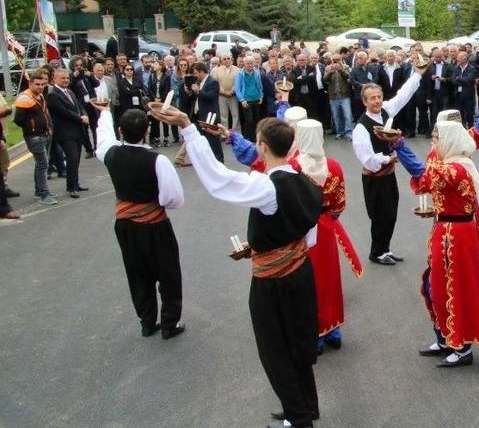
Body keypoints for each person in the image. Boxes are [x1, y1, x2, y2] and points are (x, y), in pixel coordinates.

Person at [152, 108, 322, 428]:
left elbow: (219, 180)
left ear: (262, 146)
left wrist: (189, 129)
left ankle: (299, 418)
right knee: (298, 343)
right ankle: (303, 407)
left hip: (274, 281)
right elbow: (307, 235)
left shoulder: (269, 186)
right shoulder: (306, 181)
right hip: (300, 272)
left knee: (276, 350)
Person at [393, 120, 479, 366]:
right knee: (435, 286)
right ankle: (447, 337)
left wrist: (400, 147)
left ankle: (462, 347)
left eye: (436, 139)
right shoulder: (450, 164)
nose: (432, 144)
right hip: (447, 230)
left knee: (454, 287)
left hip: (456, 235)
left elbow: (421, 172)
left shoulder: (457, 167)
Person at [92, 103, 185, 339]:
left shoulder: (110, 153)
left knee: (137, 273)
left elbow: (103, 138)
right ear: (146, 131)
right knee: (168, 273)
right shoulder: (157, 161)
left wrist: (104, 113)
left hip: (126, 226)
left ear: (121, 131)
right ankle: (169, 323)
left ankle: (146, 321)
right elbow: (172, 198)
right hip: (154, 224)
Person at [291, 119, 362, 357]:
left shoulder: (294, 167)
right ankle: (333, 329)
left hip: (302, 228)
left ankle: (314, 332)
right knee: (329, 277)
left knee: (306, 280)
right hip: (326, 226)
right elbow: (339, 203)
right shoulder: (333, 165)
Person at [351, 63, 426, 265]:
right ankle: (376, 252)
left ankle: (384, 249)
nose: (377, 101)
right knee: (380, 216)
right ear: (364, 102)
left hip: (388, 174)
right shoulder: (361, 128)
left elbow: (403, 95)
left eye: (378, 97)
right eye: (372, 98)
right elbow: (368, 160)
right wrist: (390, 158)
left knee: (391, 214)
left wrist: (417, 74)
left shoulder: (385, 111)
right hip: (375, 178)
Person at [14, 70, 57, 205]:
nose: (40, 86)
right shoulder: (24, 98)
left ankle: (39, 191)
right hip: (35, 136)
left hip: (45, 134)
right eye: (37, 84)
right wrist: (32, 127)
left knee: (41, 164)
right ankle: (44, 194)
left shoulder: (39, 95)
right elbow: (18, 119)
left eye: (42, 84)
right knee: (43, 164)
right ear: (30, 83)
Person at [46, 68, 89, 198]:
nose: (66, 80)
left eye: (67, 78)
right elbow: (63, 111)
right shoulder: (53, 94)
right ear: (54, 79)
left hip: (77, 131)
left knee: (75, 159)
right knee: (72, 158)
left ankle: (74, 183)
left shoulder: (70, 91)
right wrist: (80, 118)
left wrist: (84, 114)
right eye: (62, 78)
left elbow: (78, 106)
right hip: (65, 133)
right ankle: (72, 187)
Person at [323, 53, 353, 140]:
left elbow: (348, 77)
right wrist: (330, 72)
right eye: (334, 60)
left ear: (341, 60)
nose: (336, 62)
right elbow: (325, 79)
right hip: (333, 96)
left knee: (347, 115)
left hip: (344, 95)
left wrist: (340, 69)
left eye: (338, 60)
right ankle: (339, 132)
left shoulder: (346, 67)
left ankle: (348, 132)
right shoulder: (328, 68)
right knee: (336, 116)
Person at [235, 55, 264, 141]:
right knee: (249, 121)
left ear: (253, 63)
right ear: (244, 64)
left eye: (251, 63)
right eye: (247, 63)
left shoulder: (257, 72)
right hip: (246, 100)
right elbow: (237, 89)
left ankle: (256, 138)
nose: (249, 65)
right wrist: (242, 100)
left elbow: (259, 86)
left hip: (256, 99)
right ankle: (248, 139)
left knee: (256, 120)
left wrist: (261, 96)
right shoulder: (240, 74)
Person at [148, 60, 173, 146]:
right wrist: (154, 98)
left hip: (163, 101)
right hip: (154, 101)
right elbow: (149, 88)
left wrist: (161, 98)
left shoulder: (166, 77)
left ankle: (166, 138)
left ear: (160, 66)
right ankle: (157, 138)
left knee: (164, 119)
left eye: (155, 64)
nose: (153, 65)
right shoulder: (151, 76)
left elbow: (167, 89)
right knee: (155, 121)